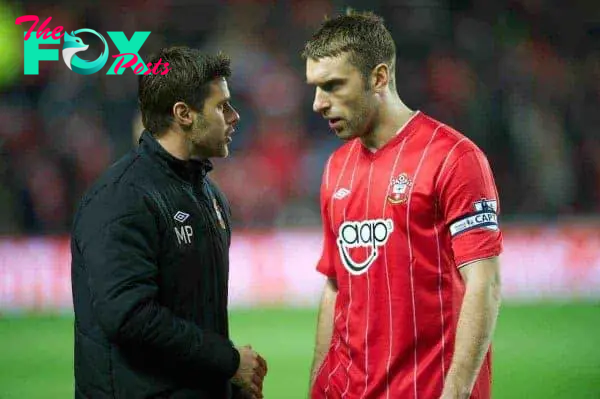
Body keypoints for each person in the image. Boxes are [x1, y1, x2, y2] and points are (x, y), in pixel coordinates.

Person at [303, 10, 502, 399]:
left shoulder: (454, 157)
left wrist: (457, 392)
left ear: (378, 77)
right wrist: (317, 386)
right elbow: (334, 285)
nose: (318, 103)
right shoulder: (336, 167)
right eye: (314, 87)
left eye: (332, 86)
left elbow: (484, 283)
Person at [70, 46, 267, 399]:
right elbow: (129, 317)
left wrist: (229, 385)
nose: (234, 116)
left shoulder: (209, 195)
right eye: (221, 106)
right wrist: (228, 360)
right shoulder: (121, 197)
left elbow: (193, 319)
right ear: (183, 114)